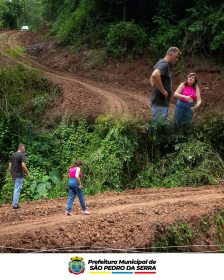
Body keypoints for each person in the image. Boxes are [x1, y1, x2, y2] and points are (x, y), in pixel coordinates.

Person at [150, 46, 181, 126]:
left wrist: (156, 87)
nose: (176, 60)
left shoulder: (160, 62)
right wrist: (163, 91)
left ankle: (156, 138)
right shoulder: (164, 64)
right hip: (160, 103)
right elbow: (154, 75)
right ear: (170, 54)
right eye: (176, 57)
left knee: (162, 128)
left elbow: (151, 78)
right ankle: (153, 139)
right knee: (157, 128)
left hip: (161, 103)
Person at [8, 143, 30, 209]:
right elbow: (23, 165)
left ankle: (15, 203)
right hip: (19, 175)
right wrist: (28, 174)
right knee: (17, 189)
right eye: (24, 148)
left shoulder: (13, 155)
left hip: (14, 175)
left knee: (16, 189)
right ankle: (15, 205)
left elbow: (9, 166)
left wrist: (11, 174)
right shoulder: (22, 155)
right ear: (21, 148)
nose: (24, 149)